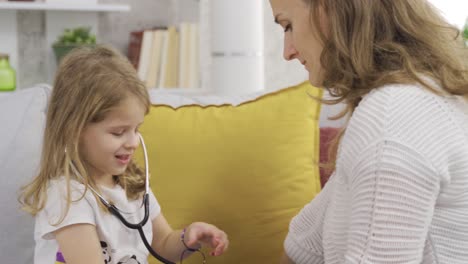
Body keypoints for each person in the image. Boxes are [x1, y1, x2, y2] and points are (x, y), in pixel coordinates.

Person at [269, 0, 468, 263]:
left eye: (288, 26)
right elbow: (305, 242)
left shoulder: (394, 115)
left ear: (329, 8)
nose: (288, 51)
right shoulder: (419, 97)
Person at [18, 45, 228, 264]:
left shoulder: (133, 187)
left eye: (136, 129)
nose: (133, 142)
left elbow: (164, 245)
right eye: (118, 132)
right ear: (74, 130)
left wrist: (188, 238)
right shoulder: (67, 197)